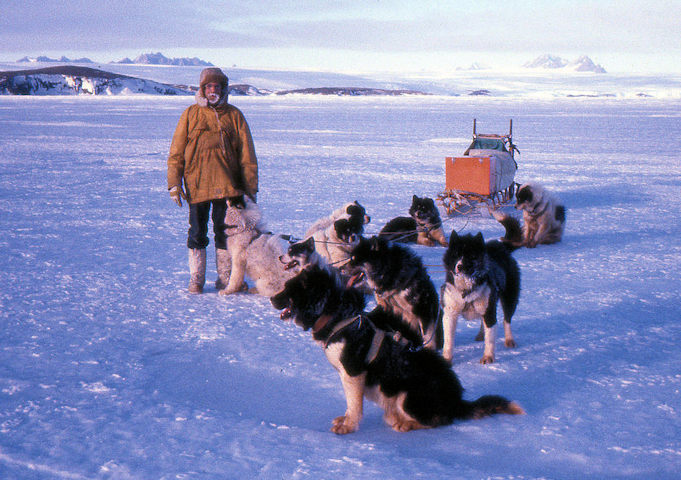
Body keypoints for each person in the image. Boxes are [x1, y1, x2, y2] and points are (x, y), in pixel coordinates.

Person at [167, 67, 258, 294]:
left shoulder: (234, 116)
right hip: (197, 186)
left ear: (223, 89)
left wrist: (249, 189)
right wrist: (174, 183)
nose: (213, 91)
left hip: (228, 187)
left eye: (217, 87)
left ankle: (225, 279)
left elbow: (247, 156)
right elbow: (176, 152)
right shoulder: (190, 114)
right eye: (208, 87)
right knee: (197, 232)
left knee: (224, 232)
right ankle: (196, 279)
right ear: (202, 89)